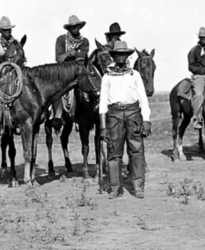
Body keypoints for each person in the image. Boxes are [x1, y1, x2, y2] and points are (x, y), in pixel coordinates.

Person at [99, 41, 151, 199]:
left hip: (133, 114)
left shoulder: (134, 74)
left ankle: (137, 186)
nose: (121, 57)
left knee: (136, 151)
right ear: (113, 56)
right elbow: (102, 102)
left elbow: (143, 97)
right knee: (114, 153)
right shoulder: (107, 77)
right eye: (118, 54)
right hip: (114, 116)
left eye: (124, 54)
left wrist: (146, 119)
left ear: (127, 56)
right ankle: (115, 187)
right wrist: (103, 127)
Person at [52, 15, 90, 128]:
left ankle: (89, 111)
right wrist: (70, 53)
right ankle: (56, 114)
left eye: (77, 26)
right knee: (57, 88)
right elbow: (58, 58)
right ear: (69, 28)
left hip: (79, 69)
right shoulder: (61, 40)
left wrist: (74, 54)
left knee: (90, 85)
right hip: (64, 70)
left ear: (80, 27)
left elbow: (84, 56)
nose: (75, 28)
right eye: (72, 27)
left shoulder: (85, 41)